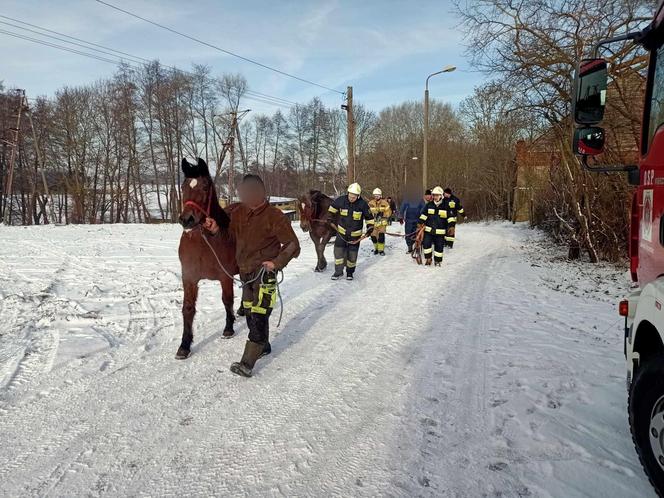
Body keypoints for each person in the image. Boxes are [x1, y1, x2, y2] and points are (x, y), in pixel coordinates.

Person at [203, 174, 300, 378]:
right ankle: (263, 345)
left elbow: (292, 245)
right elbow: (227, 235)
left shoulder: (275, 216)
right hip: (245, 272)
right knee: (248, 310)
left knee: (259, 313)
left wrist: (276, 263)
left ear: (260, 192)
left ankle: (247, 363)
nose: (244, 196)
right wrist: (214, 229)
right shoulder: (238, 213)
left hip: (265, 273)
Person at [327, 183, 374, 280]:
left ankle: (350, 273)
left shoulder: (363, 204)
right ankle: (338, 272)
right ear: (348, 193)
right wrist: (329, 218)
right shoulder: (341, 200)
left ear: (358, 196)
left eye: (354, 197)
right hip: (341, 233)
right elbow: (331, 210)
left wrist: (370, 228)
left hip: (355, 236)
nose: (351, 198)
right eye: (350, 196)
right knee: (338, 253)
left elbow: (369, 218)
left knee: (352, 256)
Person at [418, 186, 448, 267]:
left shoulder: (446, 206)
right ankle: (428, 259)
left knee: (439, 248)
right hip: (429, 231)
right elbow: (424, 215)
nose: (435, 197)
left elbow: (450, 218)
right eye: (434, 195)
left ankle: (437, 261)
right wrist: (420, 222)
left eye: (437, 195)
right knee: (426, 245)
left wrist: (450, 227)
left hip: (440, 232)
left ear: (441, 196)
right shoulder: (429, 205)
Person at [399, 190, 426, 255]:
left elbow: (423, 208)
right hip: (409, 220)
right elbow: (402, 207)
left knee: (418, 234)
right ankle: (410, 247)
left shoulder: (420, 200)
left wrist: (423, 218)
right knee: (408, 234)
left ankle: (417, 247)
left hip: (418, 220)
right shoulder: (407, 199)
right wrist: (401, 217)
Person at [368, 188, 392, 255]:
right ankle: (376, 248)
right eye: (375, 196)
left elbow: (389, 212)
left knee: (381, 236)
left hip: (382, 223)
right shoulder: (370, 203)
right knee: (373, 237)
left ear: (380, 196)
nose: (376, 197)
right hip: (374, 223)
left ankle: (381, 250)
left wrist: (383, 214)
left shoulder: (385, 203)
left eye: (378, 196)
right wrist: (372, 214)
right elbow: (367, 211)